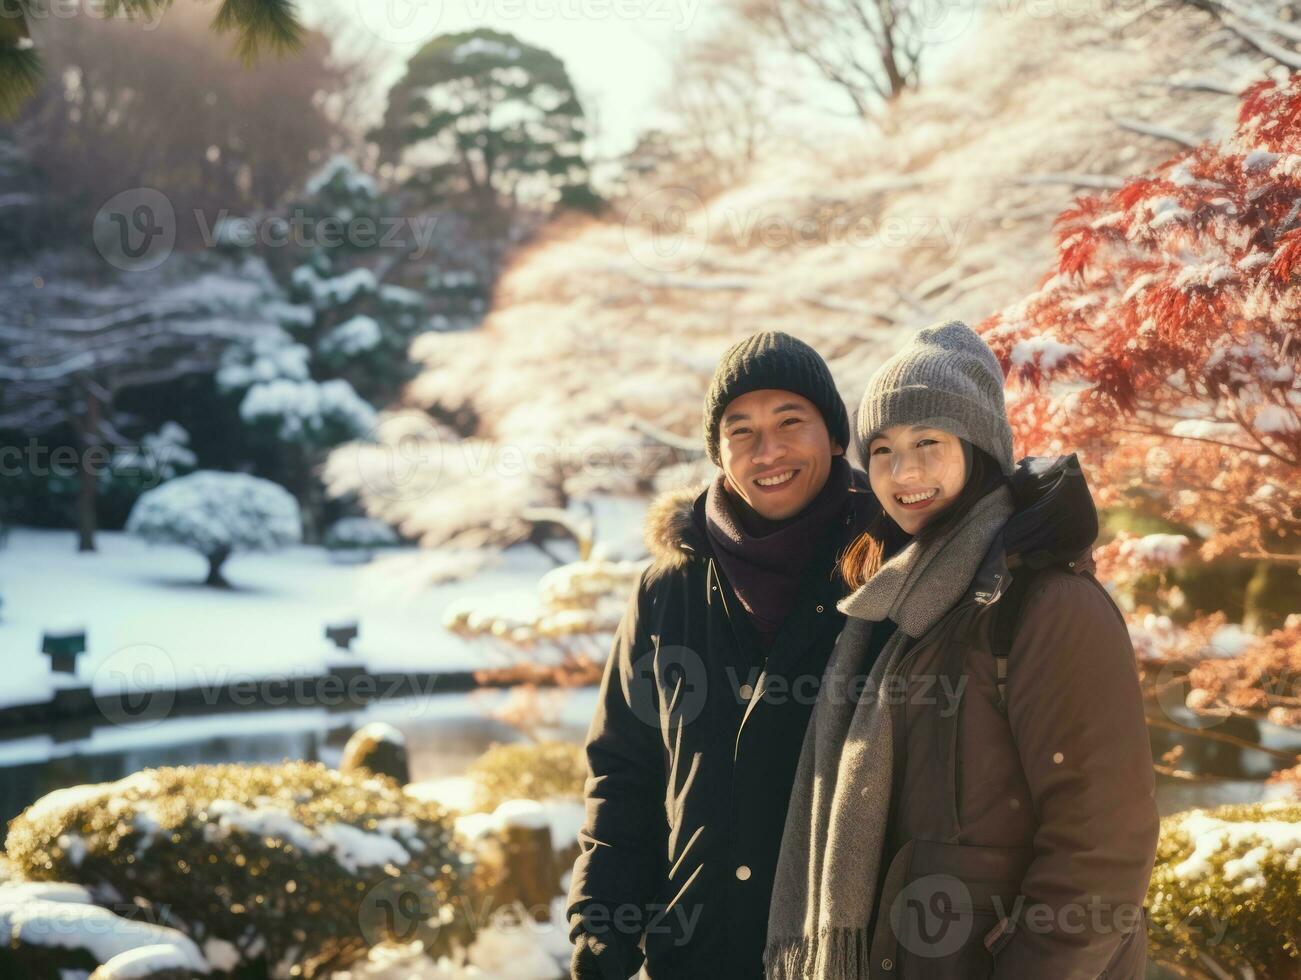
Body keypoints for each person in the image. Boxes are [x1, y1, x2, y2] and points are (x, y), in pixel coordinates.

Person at [567, 329, 1103, 980]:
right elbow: (622, 775)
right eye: (740, 431)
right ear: (717, 452)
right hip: (692, 953)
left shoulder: (893, 569)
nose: (768, 450)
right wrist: (601, 935)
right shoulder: (668, 589)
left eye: (791, 421)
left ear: (833, 436)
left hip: (842, 954)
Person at [763, 321, 1159, 980]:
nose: (903, 472)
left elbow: (1101, 845)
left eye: (928, 442)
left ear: (979, 450)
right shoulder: (882, 606)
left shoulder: (1044, 604)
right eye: (882, 449)